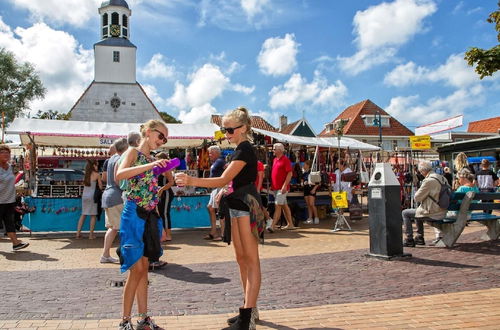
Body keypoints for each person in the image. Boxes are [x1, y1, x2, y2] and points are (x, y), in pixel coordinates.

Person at [175, 107, 264, 330]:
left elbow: (222, 179)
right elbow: (231, 181)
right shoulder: (239, 150)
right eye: (224, 130)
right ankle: (248, 309)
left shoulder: (245, 150)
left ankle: (248, 317)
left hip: (245, 207)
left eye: (230, 129)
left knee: (251, 260)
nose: (227, 133)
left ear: (243, 128)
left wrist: (191, 180)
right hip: (236, 206)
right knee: (242, 259)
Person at [115, 120, 169, 330]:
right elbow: (119, 176)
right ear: (148, 132)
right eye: (161, 136)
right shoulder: (133, 152)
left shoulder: (151, 158)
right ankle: (124, 321)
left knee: (144, 269)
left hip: (149, 216)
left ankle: (144, 318)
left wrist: (160, 224)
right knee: (136, 269)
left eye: (165, 139)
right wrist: (151, 166)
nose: (162, 141)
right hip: (133, 215)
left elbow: (152, 192)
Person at [401, 161, 447, 247]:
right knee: (418, 211)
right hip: (443, 211)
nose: (421, 174)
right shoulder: (442, 178)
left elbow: (417, 197)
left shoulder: (428, 181)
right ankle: (419, 237)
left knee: (405, 213)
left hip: (433, 213)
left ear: (423, 171)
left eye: (421, 172)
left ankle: (409, 239)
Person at [100, 138, 128, 263]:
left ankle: (105, 255)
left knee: (112, 228)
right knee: (121, 227)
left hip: (108, 195)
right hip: (117, 196)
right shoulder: (120, 159)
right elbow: (119, 179)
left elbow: (105, 178)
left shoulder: (110, 159)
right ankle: (124, 255)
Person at [0, 144, 29, 251]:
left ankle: (16, 243)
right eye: (3, 152)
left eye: (7, 152)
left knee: (10, 223)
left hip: (9, 200)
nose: (6, 154)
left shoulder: (10, 167)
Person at [148, 152, 174, 270]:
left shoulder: (166, 168)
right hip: (160, 194)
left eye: (158, 159)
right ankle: (164, 234)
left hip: (166, 193)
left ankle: (168, 235)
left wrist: (162, 189)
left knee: (164, 213)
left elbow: (171, 182)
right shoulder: (157, 169)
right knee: (161, 214)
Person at [268, 143, 296, 232]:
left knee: (278, 205)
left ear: (280, 150)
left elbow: (290, 173)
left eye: (274, 149)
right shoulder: (275, 159)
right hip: (276, 187)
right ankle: (290, 224)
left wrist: (284, 186)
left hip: (282, 188)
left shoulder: (286, 160)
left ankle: (272, 226)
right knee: (284, 205)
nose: (273, 150)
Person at [76, 159, 102, 239]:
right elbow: (100, 187)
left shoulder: (86, 174)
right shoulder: (97, 174)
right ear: (93, 165)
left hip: (85, 196)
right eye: (96, 165)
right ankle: (91, 235)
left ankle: (78, 233)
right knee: (93, 216)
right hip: (92, 196)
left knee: (83, 214)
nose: (97, 166)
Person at [205, 145, 226, 241]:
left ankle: (222, 234)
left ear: (217, 153)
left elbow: (227, 171)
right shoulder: (216, 162)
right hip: (215, 188)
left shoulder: (221, 161)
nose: (209, 155)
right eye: (209, 153)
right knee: (210, 208)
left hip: (219, 187)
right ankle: (213, 232)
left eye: (211, 153)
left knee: (220, 211)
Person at [302, 160, 320, 224]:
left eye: (304, 164)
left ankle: (316, 217)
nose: (303, 166)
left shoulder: (312, 173)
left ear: (308, 165)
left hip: (311, 189)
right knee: (308, 205)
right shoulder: (304, 174)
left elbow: (317, 183)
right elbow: (302, 182)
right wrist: (303, 183)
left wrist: (314, 189)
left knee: (312, 204)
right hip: (306, 189)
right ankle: (310, 218)